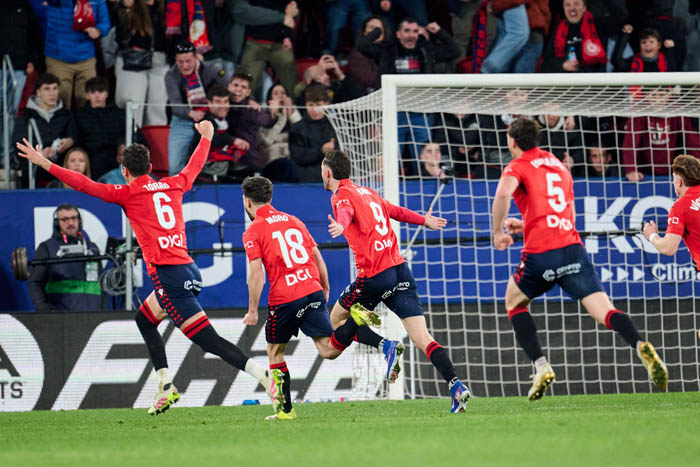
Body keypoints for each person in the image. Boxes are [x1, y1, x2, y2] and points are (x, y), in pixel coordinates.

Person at [16, 120, 284, 417]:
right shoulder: (174, 183)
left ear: (125, 171)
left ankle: (263, 375)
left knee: (207, 341)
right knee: (144, 319)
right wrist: (207, 137)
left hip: (170, 277)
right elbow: (194, 166)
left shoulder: (127, 193)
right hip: (188, 271)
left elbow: (84, 184)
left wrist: (44, 162)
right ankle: (166, 385)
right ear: (151, 167)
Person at [490, 117, 668, 400]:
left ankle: (541, 366)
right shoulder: (557, 164)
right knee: (604, 311)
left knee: (514, 302)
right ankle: (640, 344)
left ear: (512, 142)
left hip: (541, 253)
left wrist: (498, 232)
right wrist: (525, 225)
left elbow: (502, 195)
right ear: (536, 139)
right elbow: (565, 212)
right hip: (571, 247)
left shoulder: (517, 165)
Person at [321, 150, 471, 413]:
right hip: (400, 271)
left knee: (336, 320)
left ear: (327, 172)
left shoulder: (340, 195)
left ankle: (385, 345)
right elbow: (396, 211)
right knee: (422, 337)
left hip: (374, 276)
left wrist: (342, 225)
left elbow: (344, 212)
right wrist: (424, 220)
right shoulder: (368, 192)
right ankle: (456, 385)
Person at [241, 176, 396, 419]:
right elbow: (317, 256)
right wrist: (324, 287)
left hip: (285, 297)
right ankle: (354, 320)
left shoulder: (253, 231)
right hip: (312, 288)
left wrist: (252, 309)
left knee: (275, 351)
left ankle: (285, 411)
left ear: (247, 202)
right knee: (328, 349)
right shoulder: (294, 221)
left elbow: (256, 273)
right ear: (270, 198)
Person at [165, 41, 230, 175]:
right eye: (180, 62)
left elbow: (229, 88)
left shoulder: (211, 69)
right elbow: (175, 104)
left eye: (188, 61)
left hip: (209, 119)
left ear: (196, 57)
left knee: (200, 166)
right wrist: (191, 113)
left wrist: (249, 100)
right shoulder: (171, 75)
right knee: (175, 168)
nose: (184, 66)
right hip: (182, 121)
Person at [28, 204, 102, 312]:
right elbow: (35, 282)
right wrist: (44, 311)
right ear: (57, 223)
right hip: (60, 318)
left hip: (94, 316)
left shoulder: (92, 248)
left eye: (74, 218)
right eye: (65, 219)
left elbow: (101, 282)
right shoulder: (47, 248)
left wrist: (101, 308)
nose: (70, 223)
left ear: (79, 221)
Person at [12, 73, 77, 188]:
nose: (52, 93)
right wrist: (40, 152)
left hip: (60, 161)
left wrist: (69, 141)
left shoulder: (67, 114)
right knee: (27, 163)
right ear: (38, 92)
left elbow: (76, 137)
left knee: (75, 158)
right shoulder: (26, 116)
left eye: (55, 88)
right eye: (47, 89)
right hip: (35, 165)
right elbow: (19, 143)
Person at [44, 0, 111, 109]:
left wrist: (98, 30)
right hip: (58, 57)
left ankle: (84, 120)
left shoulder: (98, 1)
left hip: (86, 57)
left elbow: (105, 22)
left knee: (87, 98)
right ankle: (62, 120)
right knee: (60, 98)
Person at [114, 0, 169, 127]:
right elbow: (120, 37)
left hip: (161, 59)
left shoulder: (166, 6)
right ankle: (132, 138)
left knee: (158, 106)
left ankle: (155, 139)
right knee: (133, 104)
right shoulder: (127, 6)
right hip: (132, 60)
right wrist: (124, 9)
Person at [643, 155, 700, 270]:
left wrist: (652, 236)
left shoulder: (681, 207)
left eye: (673, 179)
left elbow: (669, 248)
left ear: (679, 182)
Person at [238, 0, 299, 96]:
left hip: (279, 42)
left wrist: (288, 36)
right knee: (246, 82)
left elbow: (291, 12)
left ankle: (293, 103)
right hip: (253, 41)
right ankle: (243, 104)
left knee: (290, 75)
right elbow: (244, 11)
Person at [75, 77, 125, 180]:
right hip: (91, 164)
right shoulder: (79, 116)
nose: (97, 95)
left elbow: (137, 136)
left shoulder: (120, 115)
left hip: (117, 162)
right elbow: (76, 142)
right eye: (93, 92)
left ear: (107, 94)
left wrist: (123, 145)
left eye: (101, 91)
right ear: (87, 95)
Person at [289, 85, 338, 182]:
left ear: (326, 104)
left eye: (318, 105)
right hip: (305, 180)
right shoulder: (296, 128)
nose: (315, 109)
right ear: (305, 104)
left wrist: (335, 148)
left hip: (332, 179)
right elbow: (297, 157)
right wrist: (321, 150)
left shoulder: (335, 127)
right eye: (311, 105)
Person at [258, 83, 301, 182]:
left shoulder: (293, 112)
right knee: (285, 166)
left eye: (283, 93)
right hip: (271, 161)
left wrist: (291, 113)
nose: (280, 96)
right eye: (276, 93)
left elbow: (302, 135)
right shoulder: (262, 115)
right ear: (269, 99)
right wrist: (279, 118)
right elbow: (267, 142)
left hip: (292, 161)